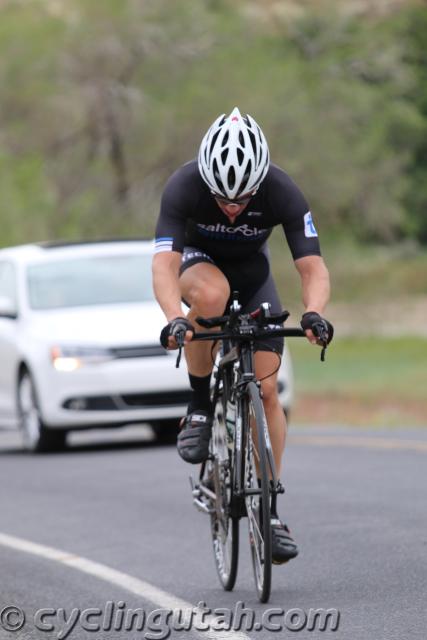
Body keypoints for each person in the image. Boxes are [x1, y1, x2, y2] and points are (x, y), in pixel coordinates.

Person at [152, 107, 333, 564]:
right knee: (211, 294)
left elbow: (312, 266)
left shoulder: (283, 190)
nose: (232, 209)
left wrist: (314, 313)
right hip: (199, 266)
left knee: (268, 391)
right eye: (222, 199)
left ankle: (269, 509)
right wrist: (176, 317)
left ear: (260, 182)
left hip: (254, 277)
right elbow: (163, 266)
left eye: (242, 199)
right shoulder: (184, 186)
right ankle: (198, 405)